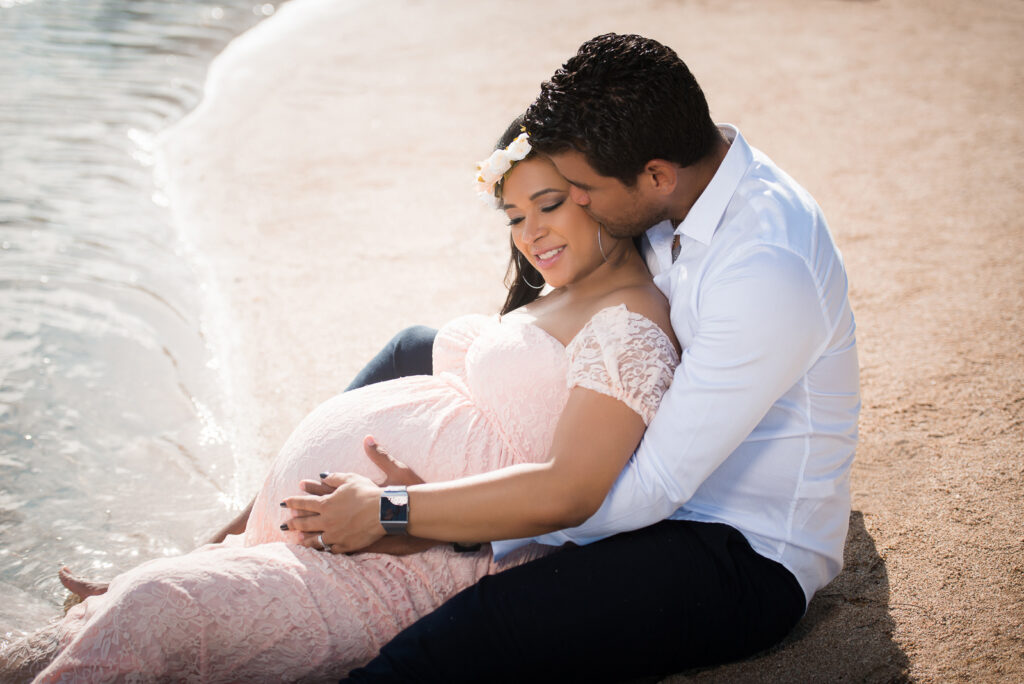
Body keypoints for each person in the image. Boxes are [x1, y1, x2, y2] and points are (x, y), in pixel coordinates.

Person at [3, 116, 680, 682]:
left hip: (397, 568)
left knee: (150, 604)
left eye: (551, 205)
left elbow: (570, 494)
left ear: (597, 193)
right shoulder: (559, 300)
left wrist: (397, 511)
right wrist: (215, 541)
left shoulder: (629, 328)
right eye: (514, 215)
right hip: (325, 533)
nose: (530, 233)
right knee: (98, 618)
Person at [336, 33, 859, 682]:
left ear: (656, 175)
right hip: (634, 456)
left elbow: (651, 494)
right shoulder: (686, 172)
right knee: (416, 347)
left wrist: (431, 517)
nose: (575, 202)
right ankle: (256, 523)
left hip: (732, 545)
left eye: (582, 189)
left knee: (469, 634)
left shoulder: (763, 270)